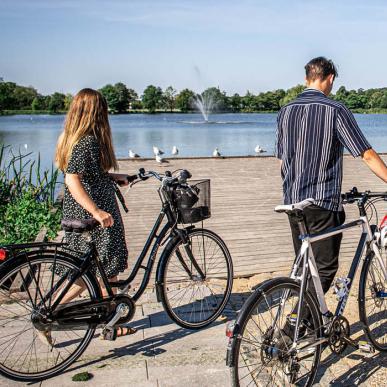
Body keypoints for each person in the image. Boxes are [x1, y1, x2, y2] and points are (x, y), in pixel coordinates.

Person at [275, 57, 387, 337]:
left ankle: (310, 324)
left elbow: (281, 160)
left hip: (292, 202)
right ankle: (294, 325)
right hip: (322, 202)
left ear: (306, 79)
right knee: (324, 270)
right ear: (330, 79)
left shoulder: (285, 111)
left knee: (306, 270)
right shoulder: (335, 109)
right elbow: (365, 153)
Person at [55, 88, 137, 338]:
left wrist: (112, 176)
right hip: (92, 213)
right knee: (101, 269)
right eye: (103, 108)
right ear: (94, 112)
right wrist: (97, 211)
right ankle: (60, 311)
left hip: (85, 208)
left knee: (96, 269)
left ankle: (103, 321)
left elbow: (86, 174)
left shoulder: (73, 137)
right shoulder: (87, 140)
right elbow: (72, 180)